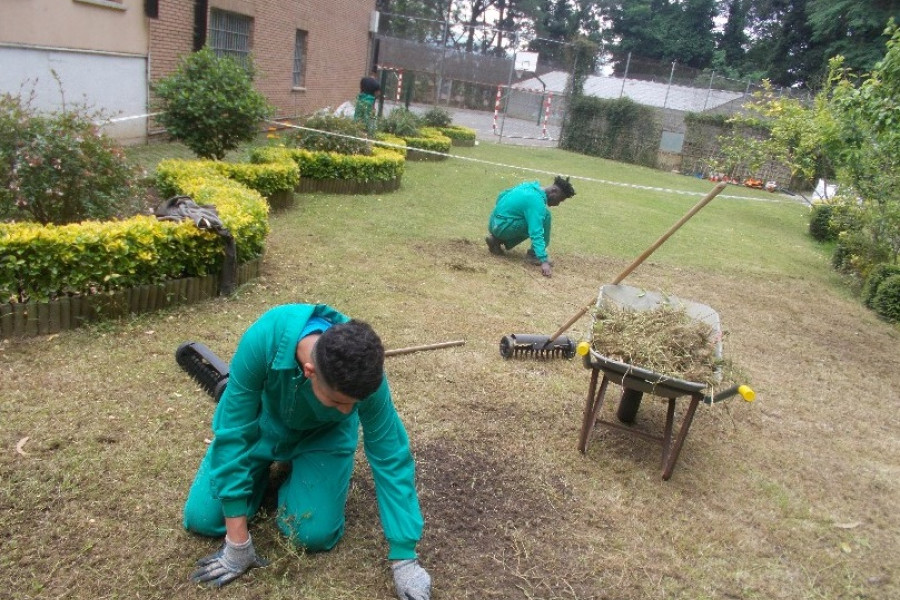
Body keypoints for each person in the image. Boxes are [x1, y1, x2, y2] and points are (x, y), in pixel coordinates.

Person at [183, 304, 431, 599]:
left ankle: (296, 471)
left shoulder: (367, 378)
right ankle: (261, 472)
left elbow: (390, 454)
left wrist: (404, 557)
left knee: (311, 533)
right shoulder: (264, 338)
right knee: (203, 518)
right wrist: (237, 543)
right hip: (262, 427)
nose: (349, 410)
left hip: (324, 437)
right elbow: (233, 431)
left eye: (355, 403)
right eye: (340, 402)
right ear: (310, 371)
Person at [484, 175, 576, 277]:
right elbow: (536, 232)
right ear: (554, 191)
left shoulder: (528, 186)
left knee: (532, 216)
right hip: (503, 227)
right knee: (544, 217)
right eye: (560, 199)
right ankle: (534, 254)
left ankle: (495, 240)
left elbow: (502, 195)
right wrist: (544, 260)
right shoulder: (536, 201)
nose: (557, 204)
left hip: (493, 223)